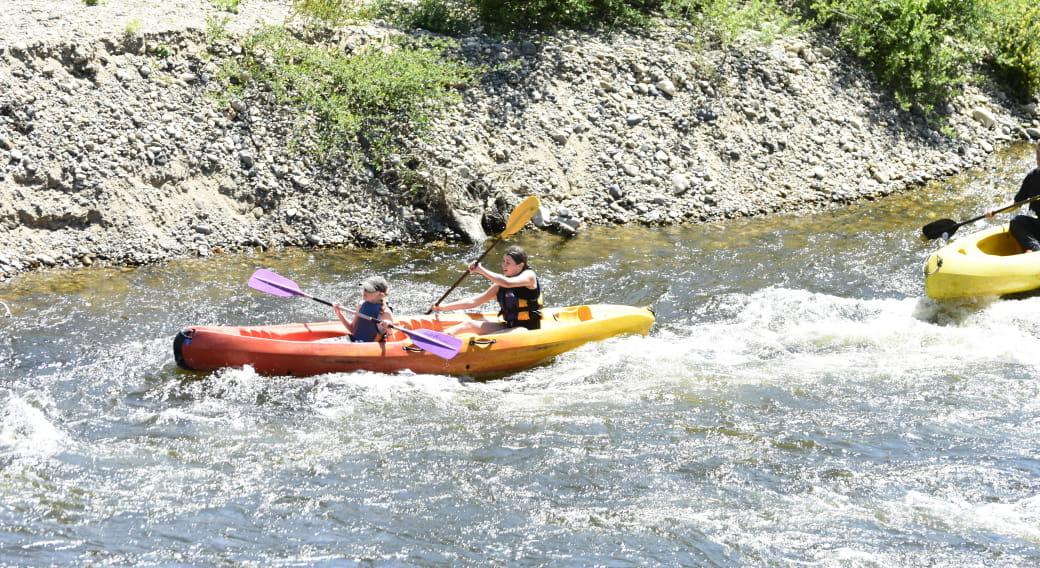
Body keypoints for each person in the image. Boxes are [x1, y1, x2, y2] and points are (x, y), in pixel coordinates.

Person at [430, 246, 543, 335]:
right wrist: (443, 307)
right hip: (509, 325)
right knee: (468, 324)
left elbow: (507, 283)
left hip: (527, 330)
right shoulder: (500, 284)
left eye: (508, 262)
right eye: (503, 261)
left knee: (518, 332)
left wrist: (481, 270)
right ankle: (441, 339)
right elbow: (474, 301)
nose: (503, 265)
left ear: (520, 265)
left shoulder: (529, 276)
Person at [332, 276, 394, 342]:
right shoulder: (361, 304)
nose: (365, 292)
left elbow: (391, 342)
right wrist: (339, 313)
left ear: (381, 295)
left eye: (370, 290)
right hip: (353, 340)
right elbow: (352, 329)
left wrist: (389, 330)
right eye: (365, 288)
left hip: (368, 347)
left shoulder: (385, 313)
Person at [1007, 142, 1040, 252]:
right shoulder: (1033, 176)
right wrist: (995, 211)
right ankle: (1035, 250)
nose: (1038, 157)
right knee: (1017, 222)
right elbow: (1016, 204)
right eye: (1038, 152)